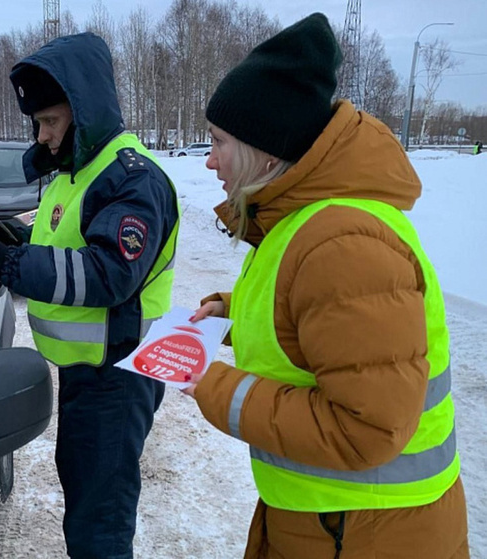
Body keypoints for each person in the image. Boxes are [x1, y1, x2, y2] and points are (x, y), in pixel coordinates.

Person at [183, 13, 469, 559]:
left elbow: (368, 429)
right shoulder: (306, 222)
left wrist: (214, 387)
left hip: (369, 534)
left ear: (265, 148)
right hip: (332, 523)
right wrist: (232, 312)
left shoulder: (341, 244)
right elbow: (310, 314)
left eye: (219, 141)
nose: (209, 158)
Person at [0, 32, 180, 558]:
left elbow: (107, 273)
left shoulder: (131, 178)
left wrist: (9, 264)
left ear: (85, 110)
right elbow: (64, 240)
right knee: (86, 500)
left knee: (99, 525)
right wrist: (14, 239)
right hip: (88, 370)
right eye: (37, 124)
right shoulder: (76, 171)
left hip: (120, 375)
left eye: (51, 121)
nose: (44, 136)